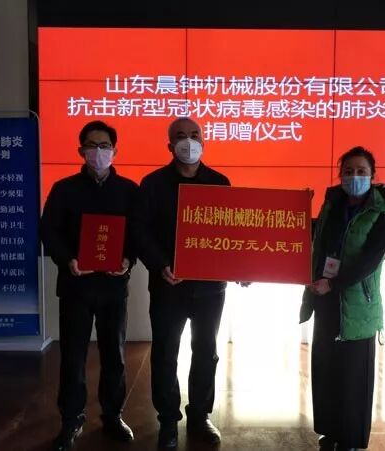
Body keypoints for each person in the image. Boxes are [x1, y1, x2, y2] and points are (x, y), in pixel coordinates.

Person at [132, 117, 230, 448]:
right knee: (164, 353)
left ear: (203, 141)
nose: (188, 142)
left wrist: (243, 264)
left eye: (194, 135)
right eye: (180, 136)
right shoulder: (153, 184)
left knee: (206, 351)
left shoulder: (219, 183)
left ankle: (200, 415)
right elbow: (140, 231)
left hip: (210, 288)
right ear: (170, 145)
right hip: (167, 285)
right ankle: (168, 420)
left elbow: (229, 231)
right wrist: (160, 264)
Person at [40, 120, 138, 451]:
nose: (99, 151)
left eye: (105, 145)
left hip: (113, 287)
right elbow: (49, 231)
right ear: (81, 150)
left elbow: (137, 233)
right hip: (76, 286)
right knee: (73, 356)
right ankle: (71, 419)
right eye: (92, 145)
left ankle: (113, 415)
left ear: (115, 150)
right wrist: (67, 259)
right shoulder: (64, 189)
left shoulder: (128, 191)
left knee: (115, 354)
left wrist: (128, 260)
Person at [300, 146, 385, 451]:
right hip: (325, 299)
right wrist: (299, 210)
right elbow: (317, 244)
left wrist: (334, 283)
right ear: (340, 175)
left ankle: (351, 440)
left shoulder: (381, 214)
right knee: (326, 369)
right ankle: (329, 431)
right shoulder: (331, 206)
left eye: (361, 171)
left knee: (354, 377)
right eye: (348, 171)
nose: (354, 176)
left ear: (372, 175)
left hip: (358, 304)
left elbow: (369, 261)